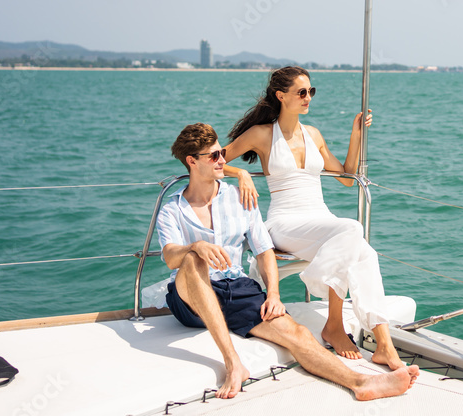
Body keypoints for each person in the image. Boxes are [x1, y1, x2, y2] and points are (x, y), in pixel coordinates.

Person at [156, 123, 418, 400]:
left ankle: (361, 382)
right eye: (214, 156)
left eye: (221, 153)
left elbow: (263, 250)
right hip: (189, 299)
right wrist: (195, 246)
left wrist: (274, 295)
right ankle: (234, 364)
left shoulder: (238, 198)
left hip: (236, 290)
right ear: (192, 161)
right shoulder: (173, 209)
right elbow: (171, 256)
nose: (222, 160)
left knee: (298, 333)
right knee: (192, 259)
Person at [220, 66, 407, 371]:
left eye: (311, 92)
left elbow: (346, 178)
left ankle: (384, 344)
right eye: (302, 92)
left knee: (365, 253)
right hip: (283, 223)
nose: (309, 98)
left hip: (320, 221)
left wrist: (356, 134)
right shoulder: (262, 134)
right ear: (281, 96)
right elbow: (215, 159)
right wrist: (240, 172)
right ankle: (333, 324)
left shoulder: (314, 135)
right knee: (351, 230)